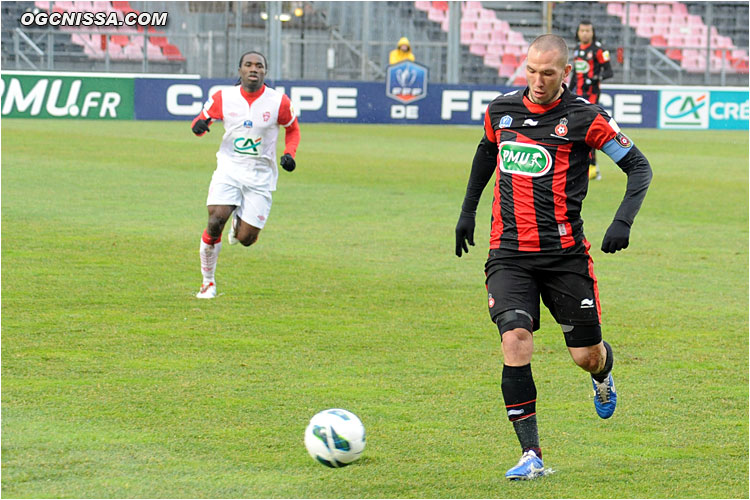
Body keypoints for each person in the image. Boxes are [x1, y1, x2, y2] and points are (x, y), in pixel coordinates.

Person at [454, 34, 651, 480]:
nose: (537, 81)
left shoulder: (586, 118)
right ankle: (531, 454)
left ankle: (603, 373)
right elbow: (486, 152)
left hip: (565, 258)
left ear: (566, 73)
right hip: (509, 254)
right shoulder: (501, 112)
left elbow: (638, 166)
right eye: (531, 71)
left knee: (586, 356)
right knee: (515, 338)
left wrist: (622, 220)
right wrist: (467, 211)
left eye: (548, 73)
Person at [191, 51, 300, 299]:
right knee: (216, 219)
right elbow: (202, 121)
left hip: (260, 175)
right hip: (229, 168)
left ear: (265, 71)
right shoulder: (223, 97)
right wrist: (199, 127)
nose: (254, 69)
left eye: (259, 65)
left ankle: (240, 223)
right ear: (239, 70)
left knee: (247, 239)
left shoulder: (278, 102)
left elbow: (292, 129)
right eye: (248, 65)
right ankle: (208, 282)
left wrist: (289, 153)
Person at [569, 20, 614, 181]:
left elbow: (609, 72)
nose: (585, 34)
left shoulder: (599, 50)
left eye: (588, 31)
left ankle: (593, 166)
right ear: (578, 32)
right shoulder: (576, 50)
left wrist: (596, 77)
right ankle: (585, 166)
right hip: (578, 95)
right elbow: (575, 74)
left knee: (587, 129)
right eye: (582, 30)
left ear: (593, 32)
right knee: (576, 130)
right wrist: (567, 91)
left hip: (592, 96)